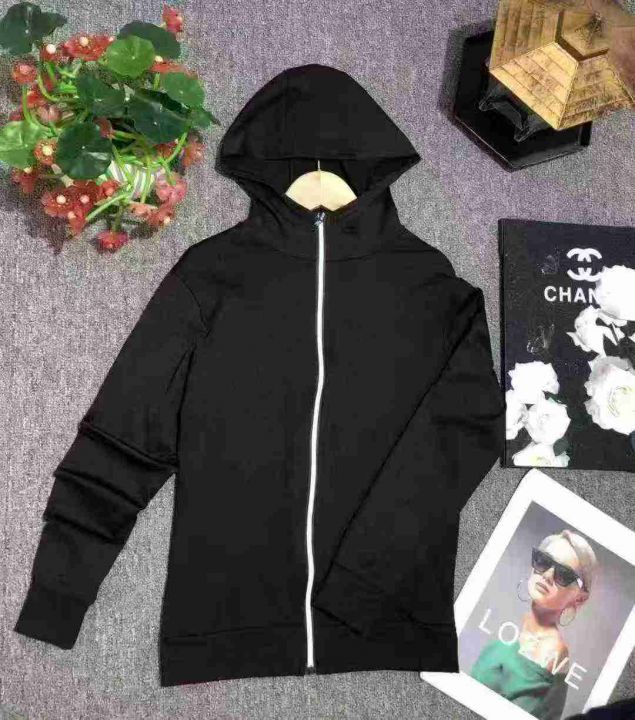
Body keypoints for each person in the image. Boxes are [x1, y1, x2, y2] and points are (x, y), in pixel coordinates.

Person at [470, 529, 598, 720]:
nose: (547, 575)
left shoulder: (553, 653)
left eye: (563, 574)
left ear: (579, 598)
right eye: (543, 561)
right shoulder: (514, 631)